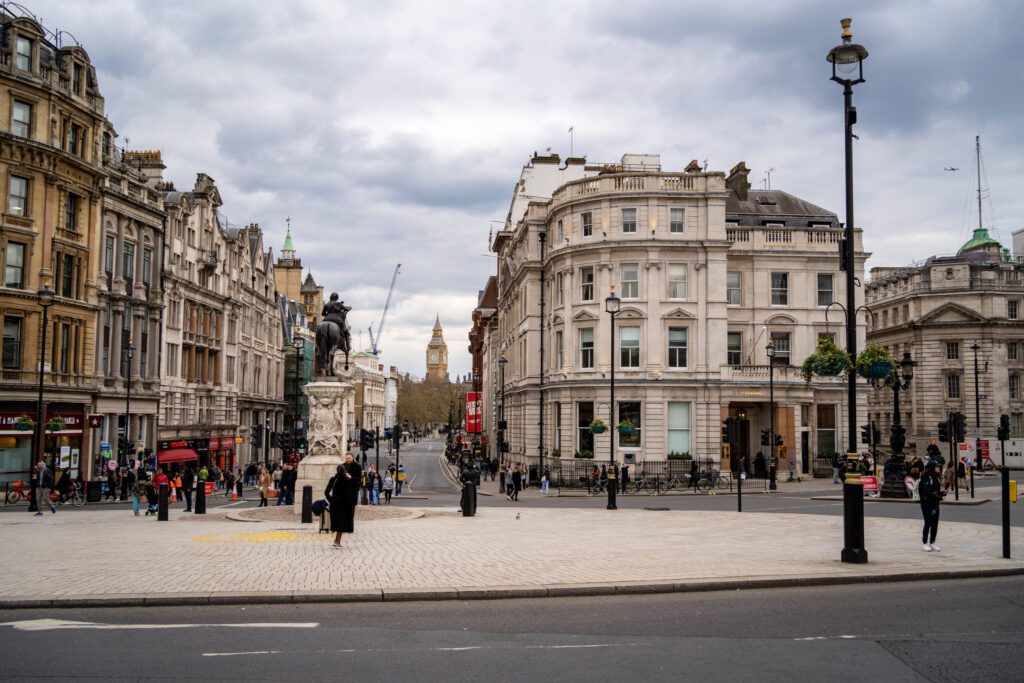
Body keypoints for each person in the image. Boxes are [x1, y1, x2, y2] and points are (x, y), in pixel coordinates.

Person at [327, 455, 362, 548]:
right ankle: (336, 541)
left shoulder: (333, 478)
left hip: (335, 503)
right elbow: (347, 493)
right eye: (346, 458)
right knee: (343, 521)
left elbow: (326, 492)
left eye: (349, 458)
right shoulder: (346, 481)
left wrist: (332, 500)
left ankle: (337, 541)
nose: (347, 460)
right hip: (345, 503)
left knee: (338, 521)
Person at [919, 459, 945, 551]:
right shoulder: (927, 478)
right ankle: (925, 543)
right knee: (928, 523)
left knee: (935, 523)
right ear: (932, 468)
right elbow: (927, 492)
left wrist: (941, 493)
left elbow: (935, 491)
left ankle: (932, 542)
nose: (939, 468)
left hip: (935, 503)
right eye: (937, 467)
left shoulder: (936, 477)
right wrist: (938, 496)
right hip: (927, 503)